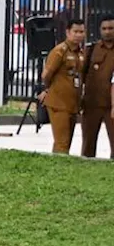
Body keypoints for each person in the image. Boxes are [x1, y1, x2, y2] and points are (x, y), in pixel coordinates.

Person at [41, 20, 87, 154]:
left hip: (72, 103)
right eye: (75, 32)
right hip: (58, 103)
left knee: (66, 141)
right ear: (68, 32)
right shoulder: (59, 51)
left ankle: (59, 166)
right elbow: (46, 75)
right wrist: (49, 89)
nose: (78, 35)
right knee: (62, 143)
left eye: (81, 32)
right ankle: (60, 169)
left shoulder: (81, 53)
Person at [80, 15, 114, 158]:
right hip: (92, 104)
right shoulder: (92, 49)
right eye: (104, 28)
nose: (107, 32)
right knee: (88, 144)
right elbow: (81, 74)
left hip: (111, 105)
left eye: (111, 28)